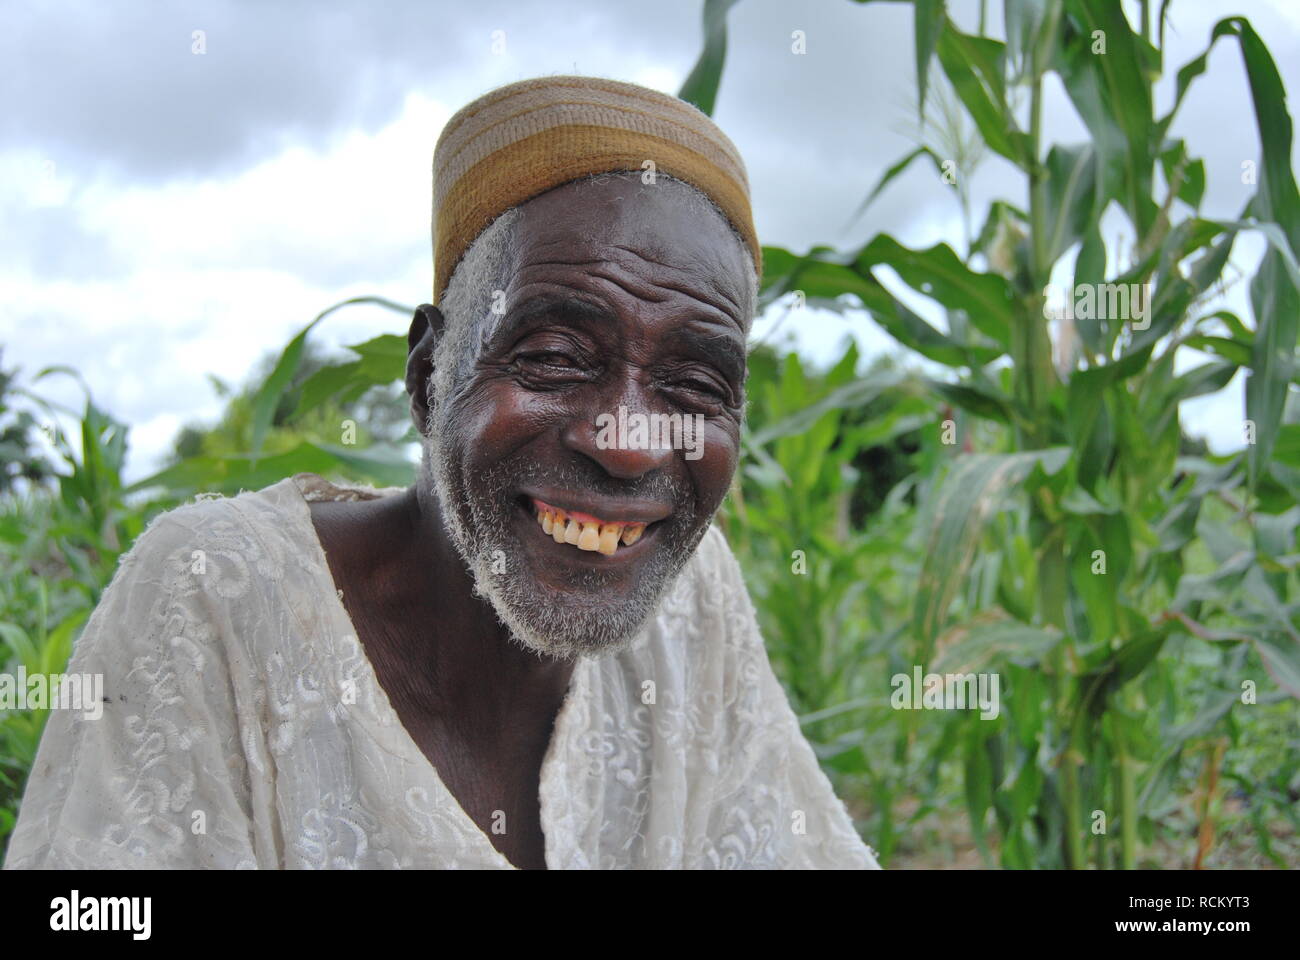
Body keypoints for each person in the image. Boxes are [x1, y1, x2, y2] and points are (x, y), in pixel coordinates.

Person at [5, 76, 880, 870]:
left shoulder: (693, 605)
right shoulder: (220, 598)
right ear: (430, 378)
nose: (629, 443)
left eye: (694, 385)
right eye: (555, 356)